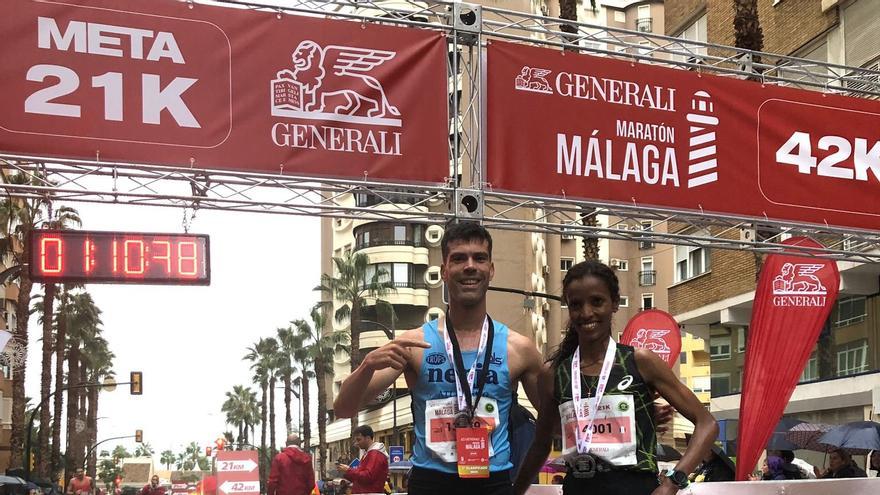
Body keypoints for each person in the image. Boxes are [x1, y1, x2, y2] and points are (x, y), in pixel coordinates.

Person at [334, 222, 546, 494]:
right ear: (444, 271)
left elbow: (554, 425)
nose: (470, 266)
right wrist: (366, 365)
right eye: (458, 259)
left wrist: (521, 484)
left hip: (493, 483)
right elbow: (344, 409)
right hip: (430, 482)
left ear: (491, 270)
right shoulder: (414, 343)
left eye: (479, 258)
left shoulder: (519, 349)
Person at [513, 260, 718, 495]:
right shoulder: (554, 373)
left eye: (597, 301)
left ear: (614, 303)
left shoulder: (640, 362)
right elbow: (541, 444)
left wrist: (673, 482)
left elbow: (707, 423)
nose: (586, 312)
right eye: (576, 304)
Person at [336, 425, 389, 494]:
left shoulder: (375, 454)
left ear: (368, 438)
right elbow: (360, 478)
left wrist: (348, 470)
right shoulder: (369, 454)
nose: (357, 443)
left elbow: (368, 477)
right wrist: (346, 472)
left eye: (359, 439)